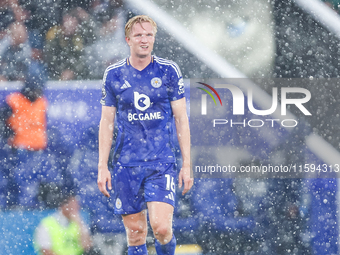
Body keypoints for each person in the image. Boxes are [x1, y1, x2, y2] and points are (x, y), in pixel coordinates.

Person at [97, 15, 193, 255]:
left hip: (160, 163)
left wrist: (187, 164)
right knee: (136, 233)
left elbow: (181, 119)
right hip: (126, 164)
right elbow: (107, 122)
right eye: (139, 35)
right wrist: (102, 166)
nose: (144, 39)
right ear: (128, 39)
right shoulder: (114, 75)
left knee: (160, 228)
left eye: (149, 35)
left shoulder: (168, 71)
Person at [34, 186, 101, 255]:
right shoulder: (47, 224)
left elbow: (87, 246)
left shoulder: (78, 221)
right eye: (73, 205)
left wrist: (79, 223)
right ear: (64, 205)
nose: (77, 208)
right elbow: (46, 251)